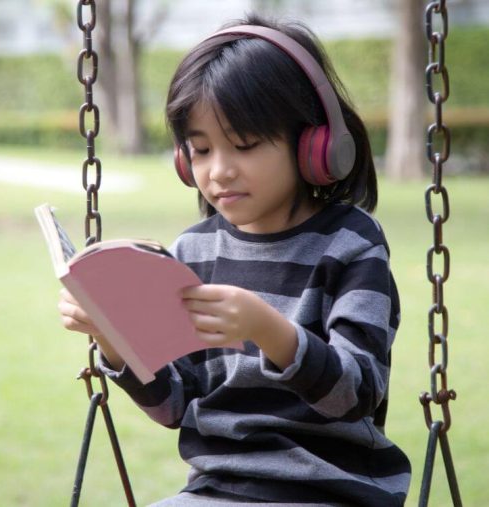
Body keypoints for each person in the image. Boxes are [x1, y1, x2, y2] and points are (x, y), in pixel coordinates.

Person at [58, 14, 411, 507]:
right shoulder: (192, 252)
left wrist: (268, 329)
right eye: (199, 150)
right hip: (217, 491)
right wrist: (114, 340)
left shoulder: (350, 243)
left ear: (314, 145)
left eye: (244, 145)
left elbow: (354, 395)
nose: (219, 171)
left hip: (332, 490)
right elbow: (175, 406)